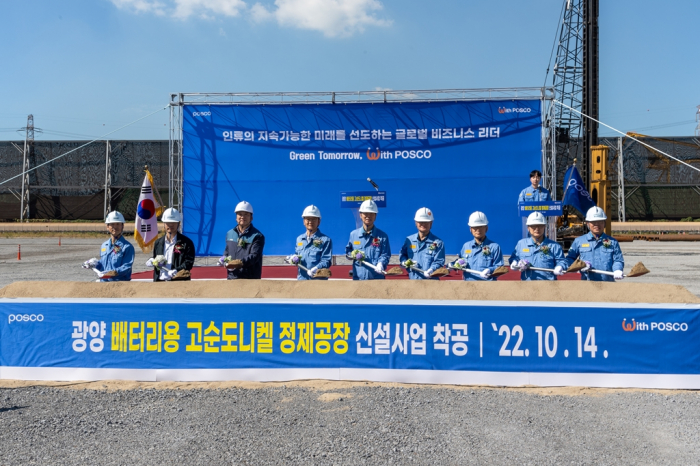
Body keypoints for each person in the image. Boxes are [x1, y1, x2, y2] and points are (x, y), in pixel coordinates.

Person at [566, 206, 624, 281]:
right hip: (587, 285)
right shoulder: (579, 241)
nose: (597, 224)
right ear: (587, 223)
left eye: (600, 221)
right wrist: (579, 265)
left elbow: (618, 260)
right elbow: (569, 259)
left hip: (608, 285)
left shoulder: (613, 242)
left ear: (604, 223)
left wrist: (617, 269)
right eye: (593, 222)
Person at [509, 212, 567, 281]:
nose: (537, 229)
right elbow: (514, 258)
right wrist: (514, 262)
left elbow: (562, 261)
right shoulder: (521, 244)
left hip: (548, 285)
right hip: (527, 285)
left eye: (540, 225)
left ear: (545, 227)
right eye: (533, 226)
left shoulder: (555, 246)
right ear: (528, 228)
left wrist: (560, 266)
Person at [82, 211, 135, 282]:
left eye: (118, 224)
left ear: (122, 226)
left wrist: (112, 273)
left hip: (120, 284)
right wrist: (95, 264)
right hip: (104, 284)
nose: (115, 227)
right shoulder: (104, 245)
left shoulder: (127, 247)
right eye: (112, 224)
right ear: (107, 227)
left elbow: (126, 267)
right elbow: (103, 265)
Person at [345, 199, 390, 280]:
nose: (368, 216)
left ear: (375, 215)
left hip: (376, 280)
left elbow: (385, 255)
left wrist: (381, 263)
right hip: (358, 279)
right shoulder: (353, 235)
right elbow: (348, 251)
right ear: (360, 215)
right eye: (365, 213)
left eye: (371, 214)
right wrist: (352, 255)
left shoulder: (383, 236)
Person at [451, 211, 504, 281]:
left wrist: (490, 270)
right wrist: (454, 264)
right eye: (475, 227)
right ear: (470, 229)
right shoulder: (466, 246)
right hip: (468, 286)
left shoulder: (494, 247)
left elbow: (500, 267)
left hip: (488, 287)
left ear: (486, 228)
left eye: (481, 227)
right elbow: (461, 262)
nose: (478, 230)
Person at [148, 208, 195, 282]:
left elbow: (188, 262)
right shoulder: (158, 243)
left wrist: (177, 270)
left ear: (178, 223)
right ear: (164, 223)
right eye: (168, 222)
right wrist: (153, 261)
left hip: (179, 282)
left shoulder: (187, 243)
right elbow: (158, 262)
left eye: (173, 222)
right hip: (160, 282)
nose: (170, 225)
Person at [399, 208, 445, 280]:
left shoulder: (438, 243)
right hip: (413, 281)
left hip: (431, 283)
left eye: (426, 222)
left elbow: (439, 261)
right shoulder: (409, 240)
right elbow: (403, 254)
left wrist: (432, 269)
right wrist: (404, 262)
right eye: (420, 222)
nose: (423, 224)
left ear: (431, 223)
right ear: (416, 223)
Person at [223, 201, 265, 279]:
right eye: (240, 214)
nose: (242, 217)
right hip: (232, 277)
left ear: (251, 218)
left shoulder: (257, 236)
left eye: (246, 214)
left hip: (250, 279)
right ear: (236, 217)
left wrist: (239, 263)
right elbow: (227, 251)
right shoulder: (230, 233)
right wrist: (224, 259)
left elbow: (255, 256)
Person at [292, 205, 333, 280]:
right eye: (308, 219)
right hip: (302, 280)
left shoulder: (326, 240)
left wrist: (316, 268)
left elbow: (326, 261)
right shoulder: (299, 239)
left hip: (318, 281)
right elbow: (297, 255)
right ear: (304, 221)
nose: (310, 222)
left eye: (314, 219)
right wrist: (293, 259)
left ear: (319, 222)